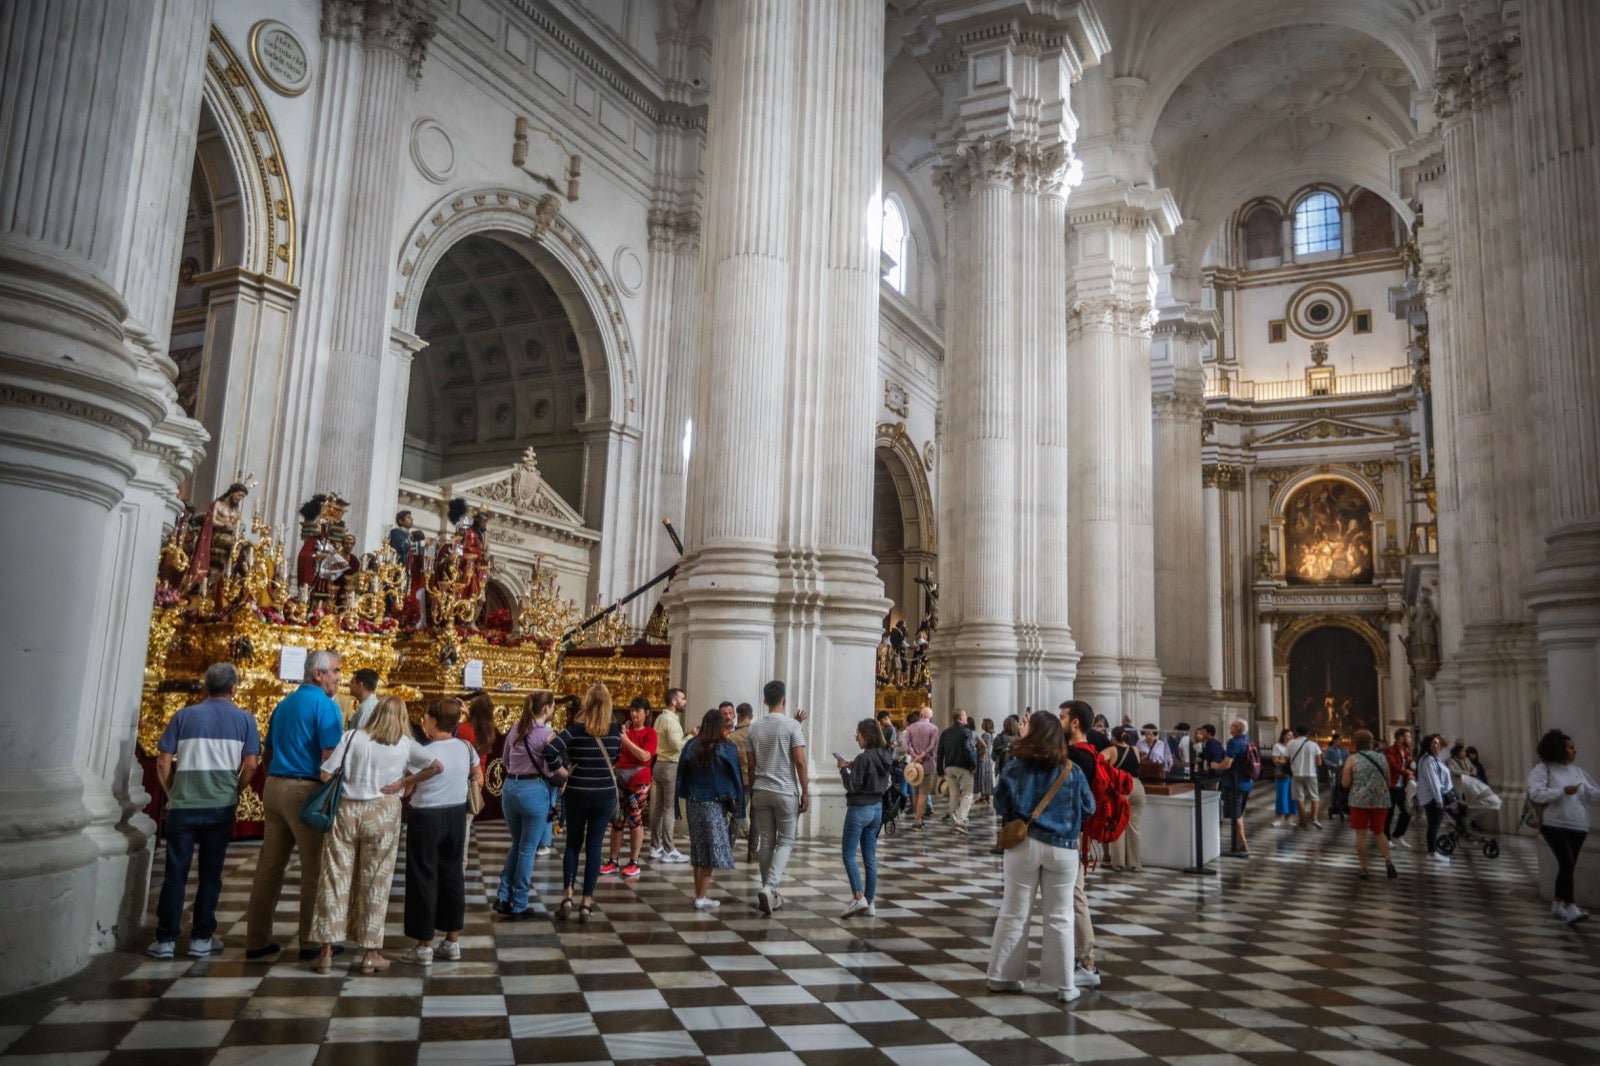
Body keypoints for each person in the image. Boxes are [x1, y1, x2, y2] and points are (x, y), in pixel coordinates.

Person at [309, 697, 442, 974]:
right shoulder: (405, 744)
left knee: (334, 877)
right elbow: (436, 767)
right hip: (383, 811)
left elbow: (324, 774)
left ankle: (325, 953)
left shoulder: (353, 736)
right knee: (376, 880)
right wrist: (404, 782)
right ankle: (371, 953)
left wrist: (351, 779)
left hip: (346, 810)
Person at [148, 662, 261, 959]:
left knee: (176, 873)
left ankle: (166, 940)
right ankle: (201, 938)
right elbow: (251, 764)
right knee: (211, 874)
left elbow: (162, 760)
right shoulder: (245, 719)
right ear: (234, 688)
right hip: (220, 807)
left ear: (205, 685)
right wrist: (234, 791)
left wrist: (173, 791)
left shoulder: (184, 716)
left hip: (183, 805)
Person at [987, 711, 1096, 1004]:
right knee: (1061, 916)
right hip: (1063, 848)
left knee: (1013, 912)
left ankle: (1002, 976)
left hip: (1024, 845)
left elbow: (999, 801)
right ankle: (1065, 985)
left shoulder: (1016, 767)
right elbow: (1089, 807)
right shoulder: (1071, 770)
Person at [246, 649, 345, 962]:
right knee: (313, 867)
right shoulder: (325, 706)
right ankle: (311, 941)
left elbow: (268, 751)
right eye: (336, 671)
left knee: (269, 867)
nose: (340, 677)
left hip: (274, 786)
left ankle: (257, 939)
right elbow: (330, 755)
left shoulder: (284, 703)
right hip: (306, 790)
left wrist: (275, 779)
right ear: (319, 674)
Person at [401, 699, 481, 965]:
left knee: (423, 876)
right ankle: (452, 941)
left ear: (433, 721)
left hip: (426, 816)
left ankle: (424, 946)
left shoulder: (425, 751)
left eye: (425, 717)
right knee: (452, 874)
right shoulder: (466, 747)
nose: (424, 721)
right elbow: (478, 778)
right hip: (456, 815)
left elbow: (408, 790)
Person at [544, 683, 623, 922]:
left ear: (587, 703)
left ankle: (568, 896)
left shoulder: (576, 730)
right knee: (595, 847)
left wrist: (563, 771)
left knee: (572, 845)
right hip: (604, 795)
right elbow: (617, 758)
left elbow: (549, 750)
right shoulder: (615, 730)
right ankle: (586, 903)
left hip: (578, 793)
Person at [497, 690, 561, 918]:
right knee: (527, 849)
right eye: (552, 706)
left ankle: (503, 895)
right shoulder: (548, 734)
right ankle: (520, 903)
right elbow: (551, 768)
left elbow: (505, 760)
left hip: (510, 789)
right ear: (546, 709)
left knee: (517, 843)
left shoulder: (516, 727)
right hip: (533, 790)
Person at [1060, 700, 1109, 989]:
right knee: (1072, 895)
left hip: (1070, 833)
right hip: (1072, 833)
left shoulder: (1078, 757)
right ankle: (1076, 957)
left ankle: (1087, 962)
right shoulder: (1086, 753)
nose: (1060, 721)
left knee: (1076, 896)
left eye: (1063, 716)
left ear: (1075, 722)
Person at [747, 679, 808, 914]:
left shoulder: (754, 727)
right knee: (785, 841)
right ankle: (770, 887)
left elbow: (751, 765)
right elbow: (800, 761)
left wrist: (754, 789)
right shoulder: (792, 726)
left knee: (766, 842)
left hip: (761, 789)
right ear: (784, 699)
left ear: (764, 701)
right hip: (785, 791)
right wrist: (805, 792)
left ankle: (768, 890)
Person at [1528, 729, 1600, 924]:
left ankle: (1558, 902)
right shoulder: (1542, 770)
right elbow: (1536, 794)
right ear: (1558, 749)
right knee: (1567, 862)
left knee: (1567, 866)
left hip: (1578, 825)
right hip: (1553, 824)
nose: (1574, 751)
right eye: (1570, 747)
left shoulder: (1577, 772)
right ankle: (1570, 906)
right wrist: (1561, 792)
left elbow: (1592, 795)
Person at [677, 708, 745, 909]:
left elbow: (682, 773)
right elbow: (736, 777)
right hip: (714, 803)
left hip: (693, 803)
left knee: (698, 848)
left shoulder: (691, 745)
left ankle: (699, 893)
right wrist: (739, 805)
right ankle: (701, 897)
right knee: (708, 851)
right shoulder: (725, 747)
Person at [838, 718, 893, 917]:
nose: (856, 736)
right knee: (870, 857)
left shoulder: (864, 757)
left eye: (858, 733)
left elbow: (852, 786)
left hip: (859, 809)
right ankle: (870, 902)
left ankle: (858, 897)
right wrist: (854, 766)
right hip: (877, 809)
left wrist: (843, 769)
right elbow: (872, 776)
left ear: (867, 735)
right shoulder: (884, 755)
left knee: (849, 854)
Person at [602, 696, 656, 879]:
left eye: (638, 711)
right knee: (617, 820)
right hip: (620, 778)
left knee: (635, 818)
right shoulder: (624, 730)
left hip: (639, 779)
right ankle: (613, 859)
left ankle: (634, 861)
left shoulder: (650, 733)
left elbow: (645, 756)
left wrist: (626, 741)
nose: (634, 714)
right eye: (632, 710)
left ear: (646, 713)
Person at [1340, 730, 1397, 880]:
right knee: (1379, 831)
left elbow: (1345, 784)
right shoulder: (1381, 758)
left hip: (1359, 800)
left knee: (1361, 833)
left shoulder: (1353, 759)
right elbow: (1389, 780)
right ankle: (1388, 861)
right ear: (1371, 743)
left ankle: (1364, 867)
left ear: (1355, 743)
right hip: (1380, 799)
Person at [456, 691, 498, 868]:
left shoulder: (464, 729)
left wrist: (465, 716)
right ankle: (462, 862)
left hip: (462, 777)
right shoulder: (490, 731)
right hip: (478, 779)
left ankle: (456, 860)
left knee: (457, 823)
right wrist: (467, 714)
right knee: (466, 823)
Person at [649, 688, 689, 863]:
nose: (685, 701)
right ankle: (669, 848)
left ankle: (655, 845)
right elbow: (677, 747)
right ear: (674, 701)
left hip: (658, 764)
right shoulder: (671, 721)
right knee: (669, 808)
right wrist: (691, 736)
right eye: (682, 698)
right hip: (670, 766)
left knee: (658, 807)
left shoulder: (659, 718)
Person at [1106, 728, 1144, 873]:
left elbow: (1098, 762)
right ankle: (1135, 863)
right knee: (1134, 827)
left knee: (1117, 825)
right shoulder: (1134, 749)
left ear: (1114, 737)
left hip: (1121, 787)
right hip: (1137, 787)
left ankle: (1118, 863)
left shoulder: (1111, 750)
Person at [1415, 732, 1455, 864]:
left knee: (1434, 825)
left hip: (1434, 797)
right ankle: (1432, 852)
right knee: (1434, 825)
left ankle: (1432, 852)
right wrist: (1439, 800)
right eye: (1434, 744)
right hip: (1434, 799)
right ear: (1428, 745)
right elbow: (1434, 782)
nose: (1438, 746)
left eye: (1438, 744)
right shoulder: (1429, 761)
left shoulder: (1432, 758)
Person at [937, 710, 979, 833]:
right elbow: (969, 750)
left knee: (953, 794)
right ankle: (961, 820)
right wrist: (973, 765)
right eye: (965, 716)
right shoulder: (966, 732)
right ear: (961, 717)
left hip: (949, 767)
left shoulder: (945, 733)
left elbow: (940, 752)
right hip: (963, 767)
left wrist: (940, 770)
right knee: (968, 793)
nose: (967, 718)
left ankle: (955, 820)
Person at [903, 706, 939, 828]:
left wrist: (914, 755)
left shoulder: (911, 728)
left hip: (914, 765)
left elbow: (905, 744)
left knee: (916, 792)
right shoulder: (933, 728)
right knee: (924, 793)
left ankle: (916, 817)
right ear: (931, 717)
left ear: (920, 715)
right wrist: (923, 755)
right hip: (927, 764)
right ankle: (918, 820)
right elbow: (932, 746)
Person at [728, 702, 755, 859]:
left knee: (737, 815)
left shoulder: (732, 737)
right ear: (751, 716)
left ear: (738, 715)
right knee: (755, 816)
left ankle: (728, 847)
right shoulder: (757, 733)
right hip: (757, 779)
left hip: (741, 780)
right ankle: (752, 851)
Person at [1385, 728, 1416, 848]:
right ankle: (1386, 838)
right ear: (1401, 738)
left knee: (1407, 811)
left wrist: (1413, 771)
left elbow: (1411, 764)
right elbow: (1394, 766)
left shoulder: (1406, 751)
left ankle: (1398, 835)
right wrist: (1406, 773)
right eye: (1408, 736)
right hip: (1391, 786)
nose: (1410, 739)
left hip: (1402, 787)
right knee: (1389, 813)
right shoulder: (1390, 750)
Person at [1287, 724, 1324, 829]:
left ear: (1296, 733)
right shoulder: (1313, 745)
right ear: (1307, 733)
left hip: (1296, 774)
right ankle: (1314, 819)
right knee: (1314, 797)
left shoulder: (1291, 743)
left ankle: (1302, 821)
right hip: (1311, 773)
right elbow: (1319, 762)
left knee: (1299, 798)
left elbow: (1286, 759)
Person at [1271, 727, 1297, 827]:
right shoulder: (1277, 746)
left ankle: (1289, 818)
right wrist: (1286, 761)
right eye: (1289, 735)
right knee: (1282, 794)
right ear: (1284, 736)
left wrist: (1285, 760)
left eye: (1292, 735)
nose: (1291, 737)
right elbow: (1275, 760)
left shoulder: (1294, 747)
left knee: (1291, 794)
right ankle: (1279, 818)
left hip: (1292, 771)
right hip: (1282, 770)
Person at [1324, 732, 1350, 820]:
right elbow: (1326, 760)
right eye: (1339, 740)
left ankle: (1343, 805)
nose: (1341, 741)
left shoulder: (1345, 751)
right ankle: (1335, 805)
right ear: (1335, 741)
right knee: (1334, 789)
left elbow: (1348, 760)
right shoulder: (1329, 750)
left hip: (1343, 772)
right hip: (1334, 772)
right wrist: (1332, 765)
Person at [976, 718, 997, 803]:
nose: (981, 724)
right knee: (987, 776)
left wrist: (980, 752)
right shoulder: (991, 735)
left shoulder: (985, 735)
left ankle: (983, 796)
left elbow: (983, 746)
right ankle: (987, 796)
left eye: (983, 723)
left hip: (983, 757)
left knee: (983, 776)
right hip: (988, 758)